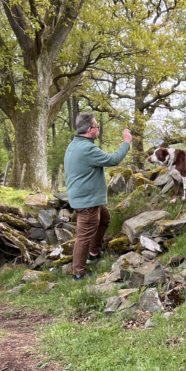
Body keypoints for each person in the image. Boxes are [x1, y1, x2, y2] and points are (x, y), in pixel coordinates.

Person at [63, 113, 132, 280]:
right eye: (96, 127)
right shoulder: (87, 148)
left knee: (105, 219)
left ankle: (94, 251)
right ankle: (78, 272)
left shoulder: (75, 144)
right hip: (87, 202)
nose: (98, 129)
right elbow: (113, 160)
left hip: (88, 198)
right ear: (89, 130)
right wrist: (126, 142)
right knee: (83, 236)